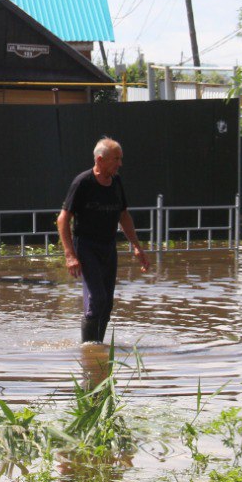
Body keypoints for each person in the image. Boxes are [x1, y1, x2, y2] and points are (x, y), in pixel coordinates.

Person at [57, 137, 150, 344]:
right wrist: (70, 255)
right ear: (100, 160)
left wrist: (136, 246)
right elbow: (63, 219)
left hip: (108, 247)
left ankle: (97, 348)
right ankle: (88, 349)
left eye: (120, 159)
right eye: (116, 159)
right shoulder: (82, 183)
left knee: (107, 304)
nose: (120, 164)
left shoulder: (116, 182)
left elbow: (124, 215)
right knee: (97, 299)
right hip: (86, 247)